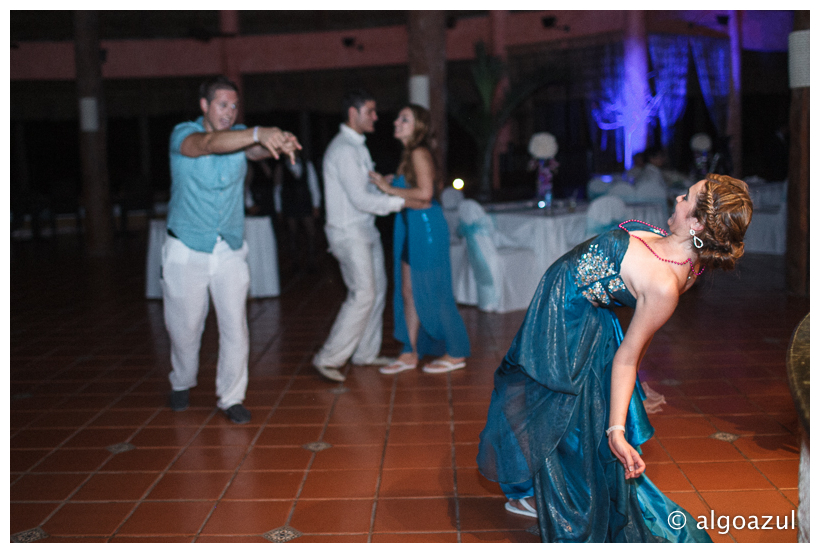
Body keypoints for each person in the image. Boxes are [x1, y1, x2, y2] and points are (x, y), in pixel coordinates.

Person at [477, 174, 753, 542]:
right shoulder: (684, 255)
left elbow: (628, 355)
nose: (676, 198)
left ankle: (556, 501)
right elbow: (638, 340)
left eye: (686, 198)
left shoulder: (666, 284)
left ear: (698, 223)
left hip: (566, 321)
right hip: (580, 311)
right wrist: (640, 380)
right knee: (539, 399)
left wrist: (617, 431)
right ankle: (532, 488)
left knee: (549, 407)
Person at [163, 75, 301, 424]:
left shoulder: (239, 136)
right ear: (204, 106)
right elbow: (209, 144)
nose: (229, 111)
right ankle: (181, 381)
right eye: (222, 104)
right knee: (185, 328)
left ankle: (232, 396)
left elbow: (252, 149)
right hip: (187, 247)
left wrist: (275, 141)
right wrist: (257, 132)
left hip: (229, 246)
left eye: (234, 105)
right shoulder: (184, 134)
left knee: (236, 326)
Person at [311, 89, 406, 382]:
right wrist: (401, 200)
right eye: (370, 112)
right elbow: (360, 201)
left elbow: (363, 192)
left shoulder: (357, 147)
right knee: (363, 294)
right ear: (353, 114)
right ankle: (328, 358)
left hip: (364, 228)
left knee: (375, 292)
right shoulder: (344, 149)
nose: (376, 117)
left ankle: (365, 353)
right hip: (348, 232)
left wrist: (383, 185)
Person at [368, 104, 470, 374]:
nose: (396, 122)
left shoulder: (418, 151)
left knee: (434, 290)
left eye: (405, 119)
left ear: (419, 127)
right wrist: (396, 181)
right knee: (408, 291)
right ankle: (409, 352)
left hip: (425, 227)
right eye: (398, 117)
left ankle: (456, 352)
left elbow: (425, 195)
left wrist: (389, 188)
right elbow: (420, 188)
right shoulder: (409, 154)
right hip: (410, 226)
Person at [273, 153, 321, 272]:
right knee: (292, 233)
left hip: (305, 202)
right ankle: (295, 262)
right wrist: (278, 208)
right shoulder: (281, 167)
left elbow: (313, 184)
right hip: (289, 204)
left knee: (311, 232)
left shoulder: (307, 164)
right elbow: (277, 189)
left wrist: (316, 205)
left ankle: (312, 261)